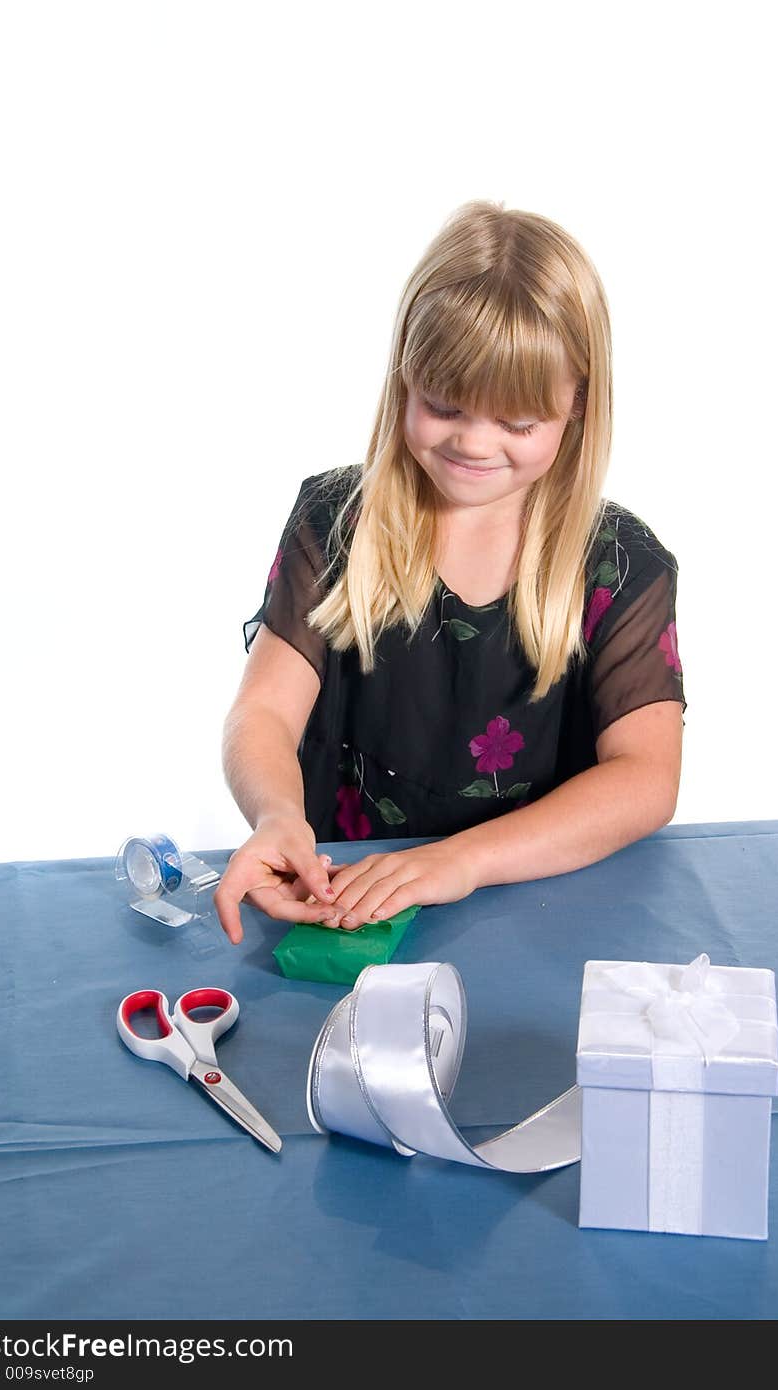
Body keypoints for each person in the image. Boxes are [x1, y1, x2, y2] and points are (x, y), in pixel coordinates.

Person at [215, 199, 686, 945]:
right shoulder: (336, 523)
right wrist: (278, 816)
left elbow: (645, 779)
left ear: (578, 408)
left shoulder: (621, 568)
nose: (474, 442)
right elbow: (263, 713)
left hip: (540, 909)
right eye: (443, 405)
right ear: (404, 375)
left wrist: (458, 862)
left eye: (518, 423)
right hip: (348, 906)